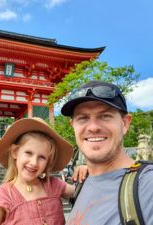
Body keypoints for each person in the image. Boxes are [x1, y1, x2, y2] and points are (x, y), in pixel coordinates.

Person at [61, 80, 153, 225]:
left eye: (105, 116)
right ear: (73, 126)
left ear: (125, 123)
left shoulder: (147, 185)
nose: (93, 127)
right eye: (83, 118)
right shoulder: (82, 183)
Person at [0, 117, 76, 225]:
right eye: (28, 153)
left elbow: (83, 192)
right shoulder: (3, 196)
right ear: (15, 152)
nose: (34, 162)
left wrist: (87, 171)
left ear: (48, 162)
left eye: (42, 157)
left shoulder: (53, 185)